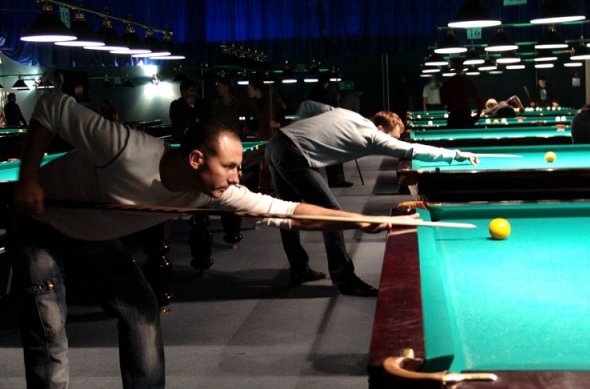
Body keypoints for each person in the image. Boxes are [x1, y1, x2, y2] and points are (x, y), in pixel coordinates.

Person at [8, 91, 413, 389]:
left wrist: (356, 220)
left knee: (142, 308)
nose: (238, 176)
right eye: (231, 166)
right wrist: (28, 179)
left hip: (96, 236)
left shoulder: (213, 191)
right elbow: (52, 106)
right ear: (196, 159)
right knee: (49, 332)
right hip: (43, 225)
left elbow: (288, 211)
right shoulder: (124, 148)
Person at [266, 100, 478, 297]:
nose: (392, 142)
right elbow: (413, 150)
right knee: (333, 215)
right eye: (392, 137)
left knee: (287, 210)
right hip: (293, 154)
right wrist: (455, 155)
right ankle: (344, 279)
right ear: (381, 129)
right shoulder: (374, 137)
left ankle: (299, 269)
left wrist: (301, 129)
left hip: (276, 142)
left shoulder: (348, 114)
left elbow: (308, 106)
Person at [308, 73, 351, 187]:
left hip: (317, 125)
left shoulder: (314, 91)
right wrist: (336, 100)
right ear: (328, 81)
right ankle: (336, 180)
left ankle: (331, 180)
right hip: (326, 126)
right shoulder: (322, 92)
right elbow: (329, 108)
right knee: (334, 152)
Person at [440, 63, 483, 129]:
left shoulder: (447, 84)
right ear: (463, 70)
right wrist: (478, 115)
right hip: (466, 115)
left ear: (453, 71)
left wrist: (448, 106)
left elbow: (443, 101)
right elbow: (478, 99)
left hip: (453, 116)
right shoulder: (468, 83)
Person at [246, 76, 287, 141]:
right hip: (263, 136)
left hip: (275, 135)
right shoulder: (253, 103)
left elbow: (283, 113)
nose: (247, 91)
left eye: (249, 89)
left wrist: (277, 124)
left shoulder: (273, 99)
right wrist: (249, 128)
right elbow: (257, 119)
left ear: (257, 90)